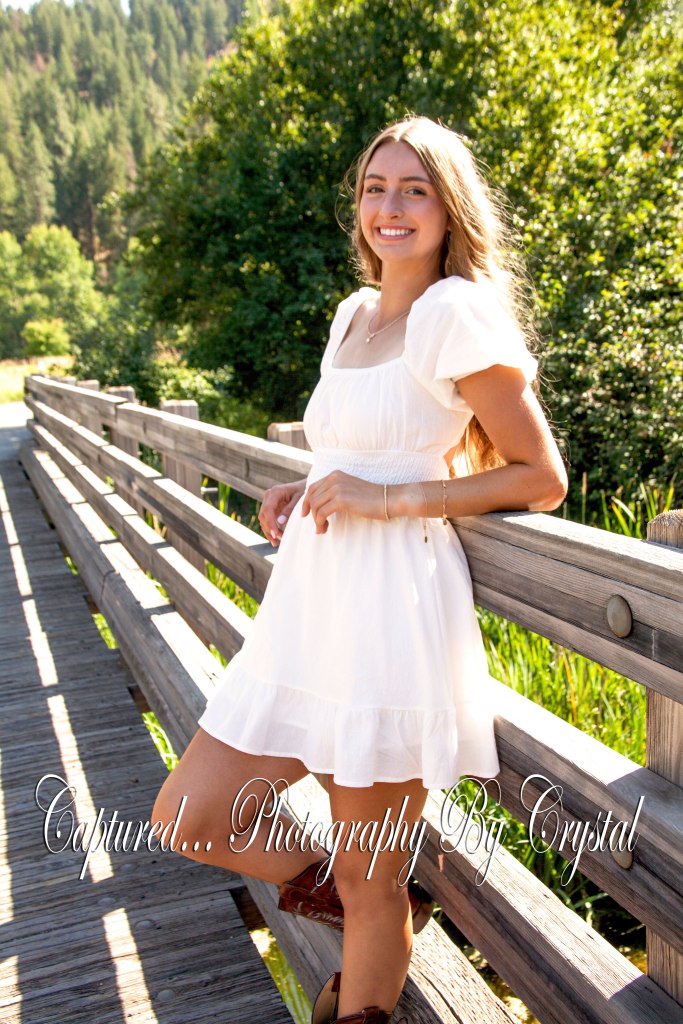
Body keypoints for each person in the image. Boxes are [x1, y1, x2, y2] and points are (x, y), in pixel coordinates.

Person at [151, 115, 568, 1024]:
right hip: (308, 615)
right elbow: (363, 446)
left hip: (389, 616)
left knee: (366, 875)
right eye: (376, 188)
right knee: (189, 816)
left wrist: (387, 499)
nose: (391, 207)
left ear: (449, 210)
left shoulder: (452, 313)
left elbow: (540, 478)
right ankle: (375, 907)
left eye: (415, 190)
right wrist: (308, 487)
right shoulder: (353, 312)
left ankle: (371, 930)